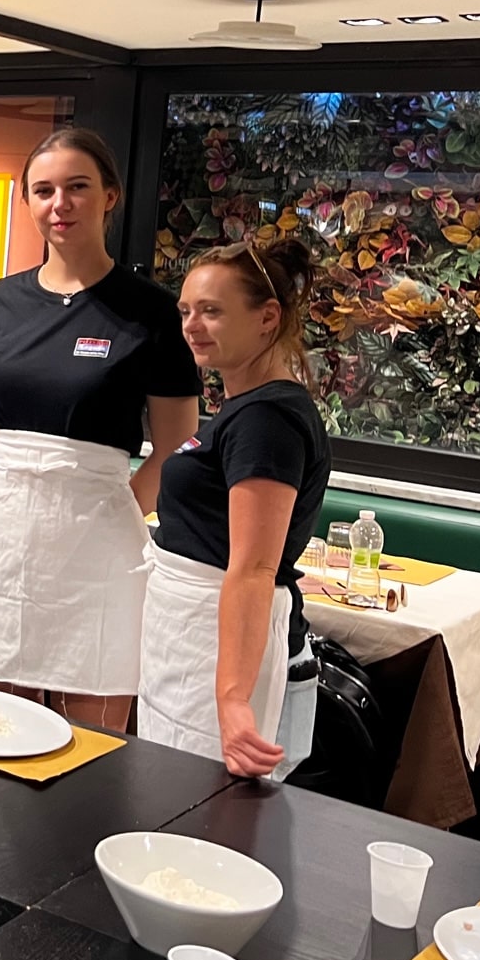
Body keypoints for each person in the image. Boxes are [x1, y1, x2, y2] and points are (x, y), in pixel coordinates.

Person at [0, 128, 201, 734]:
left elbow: (177, 445)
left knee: (93, 744)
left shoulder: (151, 311)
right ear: (28, 202)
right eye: (43, 191)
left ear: (110, 196)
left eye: (77, 187)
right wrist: (19, 484)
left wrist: (116, 504)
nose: (59, 204)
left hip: (100, 543)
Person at [140, 239, 329, 778]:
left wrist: (233, 697)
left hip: (222, 654)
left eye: (212, 311)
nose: (192, 326)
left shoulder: (268, 420)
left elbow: (253, 568)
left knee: (207, 810)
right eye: (185, 311)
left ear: (267, 318)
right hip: (190, 639)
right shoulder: (243, 408)